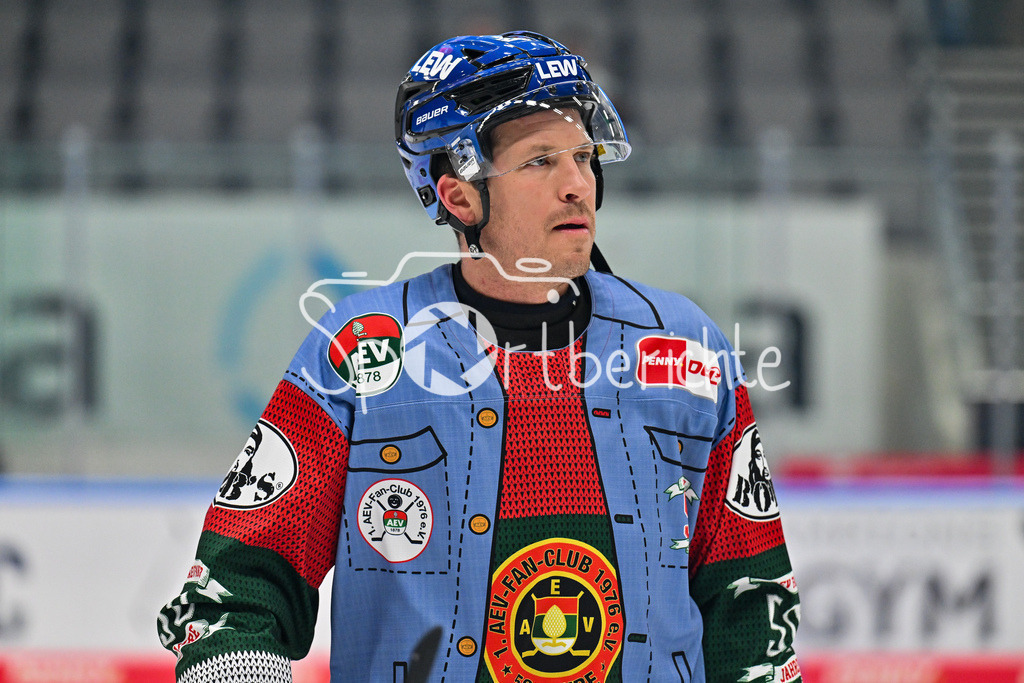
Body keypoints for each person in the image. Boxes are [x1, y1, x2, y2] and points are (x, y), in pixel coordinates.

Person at [158, 30, 802, 682]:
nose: (578, 184)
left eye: (584, 156)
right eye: (540, 161)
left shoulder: (687, 349)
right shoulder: (361, 352)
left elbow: (750, 605)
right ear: (458, 195)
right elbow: (236, 592)